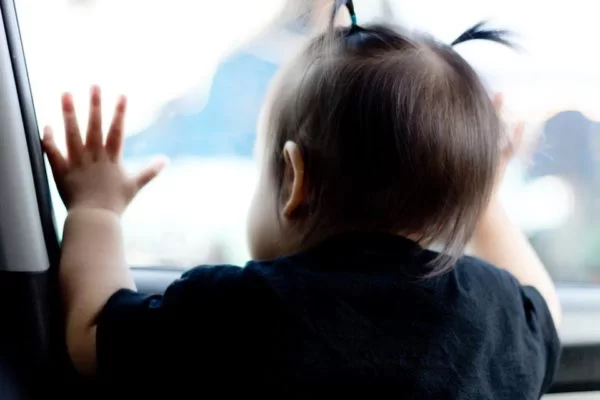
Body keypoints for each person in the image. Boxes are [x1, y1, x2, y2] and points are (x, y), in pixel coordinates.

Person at [42, 2, 561, 398]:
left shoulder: (240, 310)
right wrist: (486, 201)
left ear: (294, 180)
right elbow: (546, 311)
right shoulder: (493, 317)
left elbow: (92, 335)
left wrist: (96, 210)